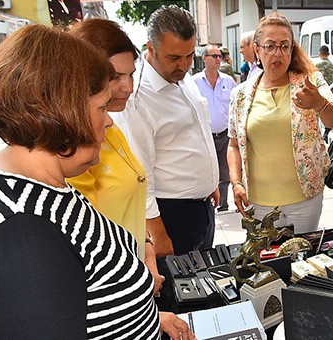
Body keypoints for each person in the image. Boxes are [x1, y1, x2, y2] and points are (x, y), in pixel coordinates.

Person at [0, 25, 194, 340]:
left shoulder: (40, 186)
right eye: (101, 107)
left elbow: (83, 299)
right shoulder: (24, 234)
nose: (108, 120)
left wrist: (147, 318)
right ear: (66, 111)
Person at [66, 19, 190, 338]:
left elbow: (127, 207)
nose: (129, 86)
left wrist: (147, 249)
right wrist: (143, 309)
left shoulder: (109, 127)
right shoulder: (74, 149)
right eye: (115, 76)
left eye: (131, 73)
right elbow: (86, 254)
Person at [115, 5, 219, 256]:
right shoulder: (138, 98)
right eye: (174, 58)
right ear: (151, 48)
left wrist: (210, 181)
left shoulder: (182, 77)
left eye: (189, 56)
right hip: (171, 216)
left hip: (202, 208)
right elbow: (141, 174)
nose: (183, 65)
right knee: (183, 291)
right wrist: (158, 234)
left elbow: (194, 131)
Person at [227, 13, 333, 233]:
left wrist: (318, 103)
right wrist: (236, 181)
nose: (277, 53)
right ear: (257, 50)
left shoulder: (310, 82)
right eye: (270, 46)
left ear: (292, 50)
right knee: (266, 262)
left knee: (302, 261)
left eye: (284, 46)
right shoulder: (240, 95)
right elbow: (233, 145)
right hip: (259, 205)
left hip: (305, 199)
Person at [193, 44, 238, 212]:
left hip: (226, 135)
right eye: (214, 56)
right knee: (209, 170)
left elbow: (236, 106)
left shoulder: (228, 81)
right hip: (205, 136)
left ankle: (223, 205)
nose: (218, 59)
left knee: (225, 172)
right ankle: (209, 202)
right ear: (204, 59)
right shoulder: (194, 83)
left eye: (220, 56)